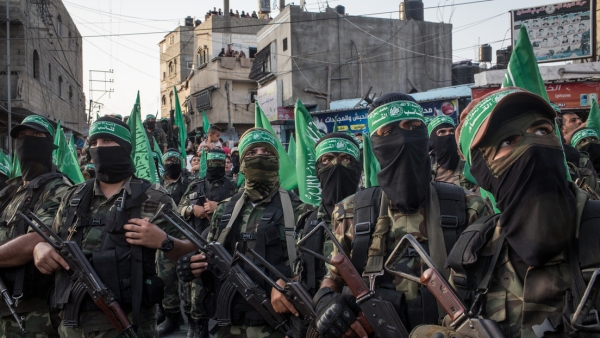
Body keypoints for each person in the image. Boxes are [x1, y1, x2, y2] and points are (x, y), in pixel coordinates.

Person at [414, 87, 600, 338]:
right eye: (507, 141)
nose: (533, 145)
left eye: (542, 131)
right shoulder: (473, 255)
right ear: (482, 169)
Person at [313, 93, 490, 337]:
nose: (402, 138)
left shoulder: (470, 207)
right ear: (375, 145)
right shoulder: (349, 212)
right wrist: (325, 300)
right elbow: (334, 277)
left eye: (412, 127)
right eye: (387, 132)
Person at [31, 116, 196, 337]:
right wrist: (39, 249)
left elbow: (191, 249)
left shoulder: (154, 197)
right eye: (94, 142)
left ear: (125, 147)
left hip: (127, 324)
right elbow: (49, 239)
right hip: (70, 325)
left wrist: (163, 241)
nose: (99, 148)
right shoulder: (74, 195)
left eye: (107, 141)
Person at [178, 128, 307, 338]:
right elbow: (211, 260)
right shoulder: (225, 210)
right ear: (242, 162)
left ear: (276, 159)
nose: (258, 157)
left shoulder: (299, 210)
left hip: (281, 326)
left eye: (265, 153)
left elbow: (315, 271)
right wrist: (193, 268)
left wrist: (291, 282)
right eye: (251, 153)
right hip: (230, 326)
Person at [0, 115, 72, 337]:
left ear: (49, 145)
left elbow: (38, 238)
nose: (26, 140)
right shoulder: (11, 191)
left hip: (33, 313)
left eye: (35, 136)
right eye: (21, 136)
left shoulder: (60, 189)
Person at [293, 132, 362, 298]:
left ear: (357, 168)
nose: (336, 164)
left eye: (346, 159)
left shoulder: (373, 213)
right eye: (327, 159)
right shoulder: (308, 220)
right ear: (318, 169)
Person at [178, 148, 237, 338]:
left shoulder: (233, 186)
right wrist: (191, 209)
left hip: (223, 245)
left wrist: (218, 208)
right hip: (196, 240)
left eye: (220, 163)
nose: (216, 166)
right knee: (193, 287)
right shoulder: (195, 185)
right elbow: (178, 208)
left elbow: (243, 206)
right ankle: (197, 324)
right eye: (212, 162)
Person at [156, 149, 189, 336]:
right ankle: (170, 314)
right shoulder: (157, 184)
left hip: (186, 237)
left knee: (187, 280)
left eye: (175, 159)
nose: (172, 162)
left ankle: (193, 319)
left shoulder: (188, 183)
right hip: (162, 237)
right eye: (168, 160)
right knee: (165, 278)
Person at [428, 116, 473, 189]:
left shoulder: (468, 165)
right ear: (432, 139)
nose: (448, 136)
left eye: (452, 131)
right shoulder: (425, 167)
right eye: (442, 132)